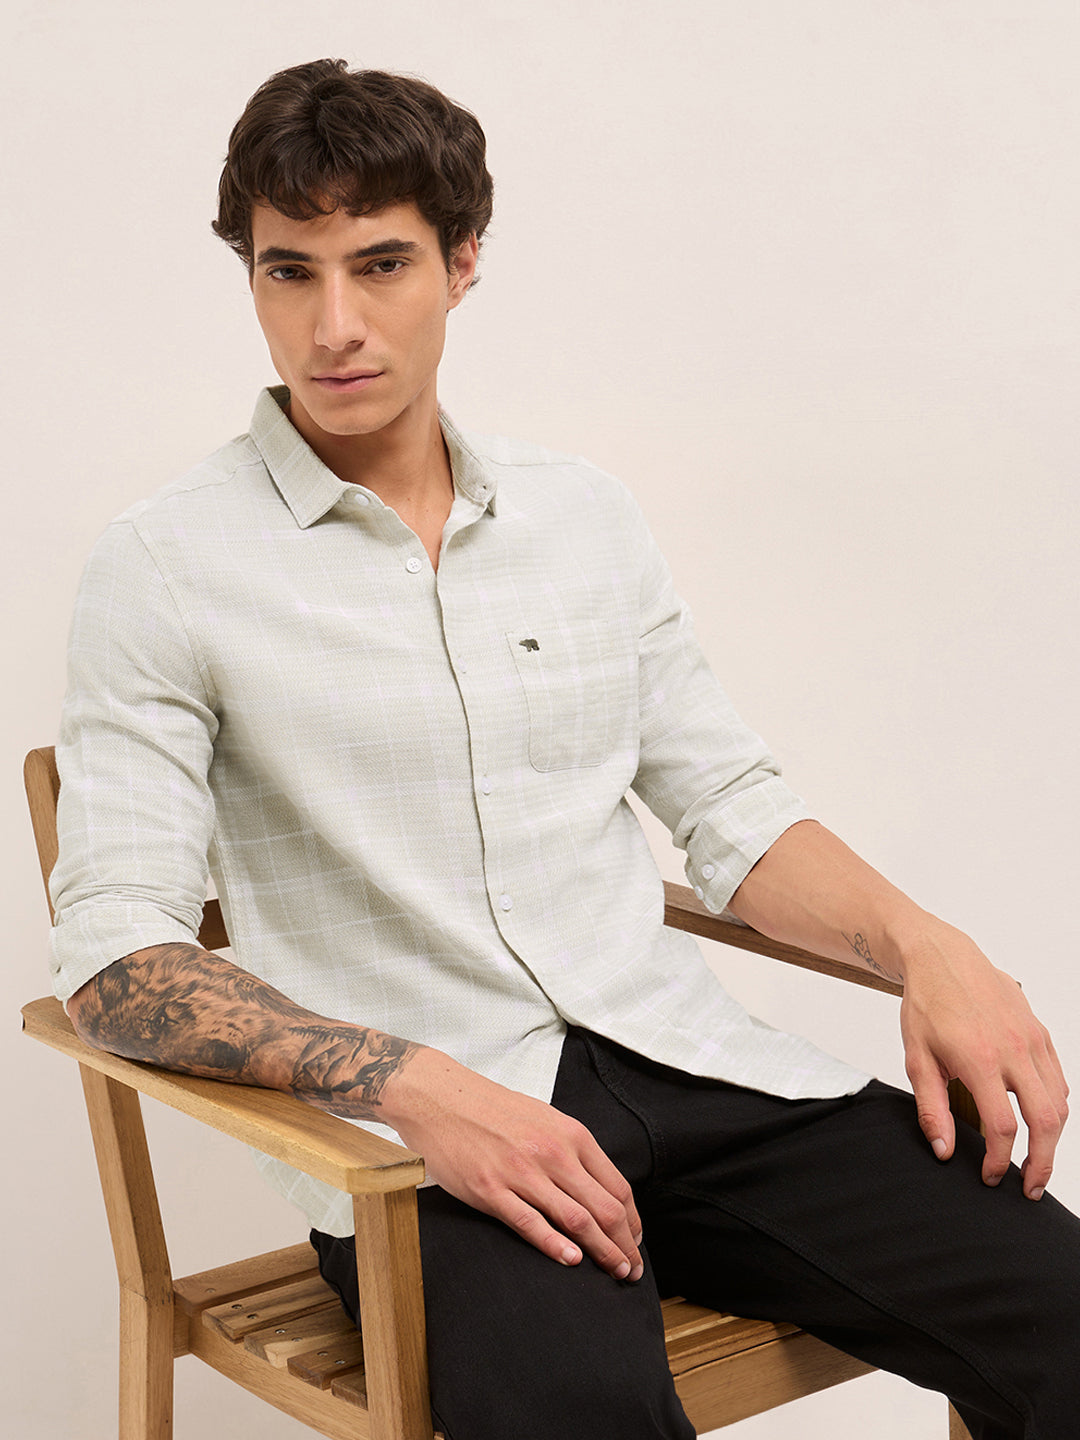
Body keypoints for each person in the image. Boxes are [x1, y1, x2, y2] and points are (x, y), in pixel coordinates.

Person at [49, 59, 1076, 1440]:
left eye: (382, 264)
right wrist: (417, 1088)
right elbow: (115, 959)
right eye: (290, 272)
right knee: (583, 1416)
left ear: (463, 261)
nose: (334, 326)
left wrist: (928, 946)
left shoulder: (582, 518)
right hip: (431, 1154)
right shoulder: (165, 568)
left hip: (691, 1066)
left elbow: (728, 803)